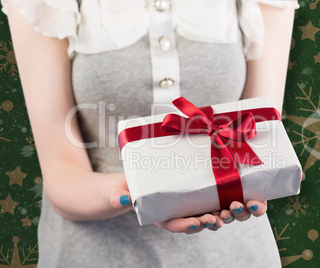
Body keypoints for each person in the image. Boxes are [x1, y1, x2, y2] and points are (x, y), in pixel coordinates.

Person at [3, 0, 299, 267]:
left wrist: (258, 186)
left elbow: (261, 136)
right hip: (95, 254)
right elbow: (61, 179)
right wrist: (144, 193)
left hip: (234, 254)